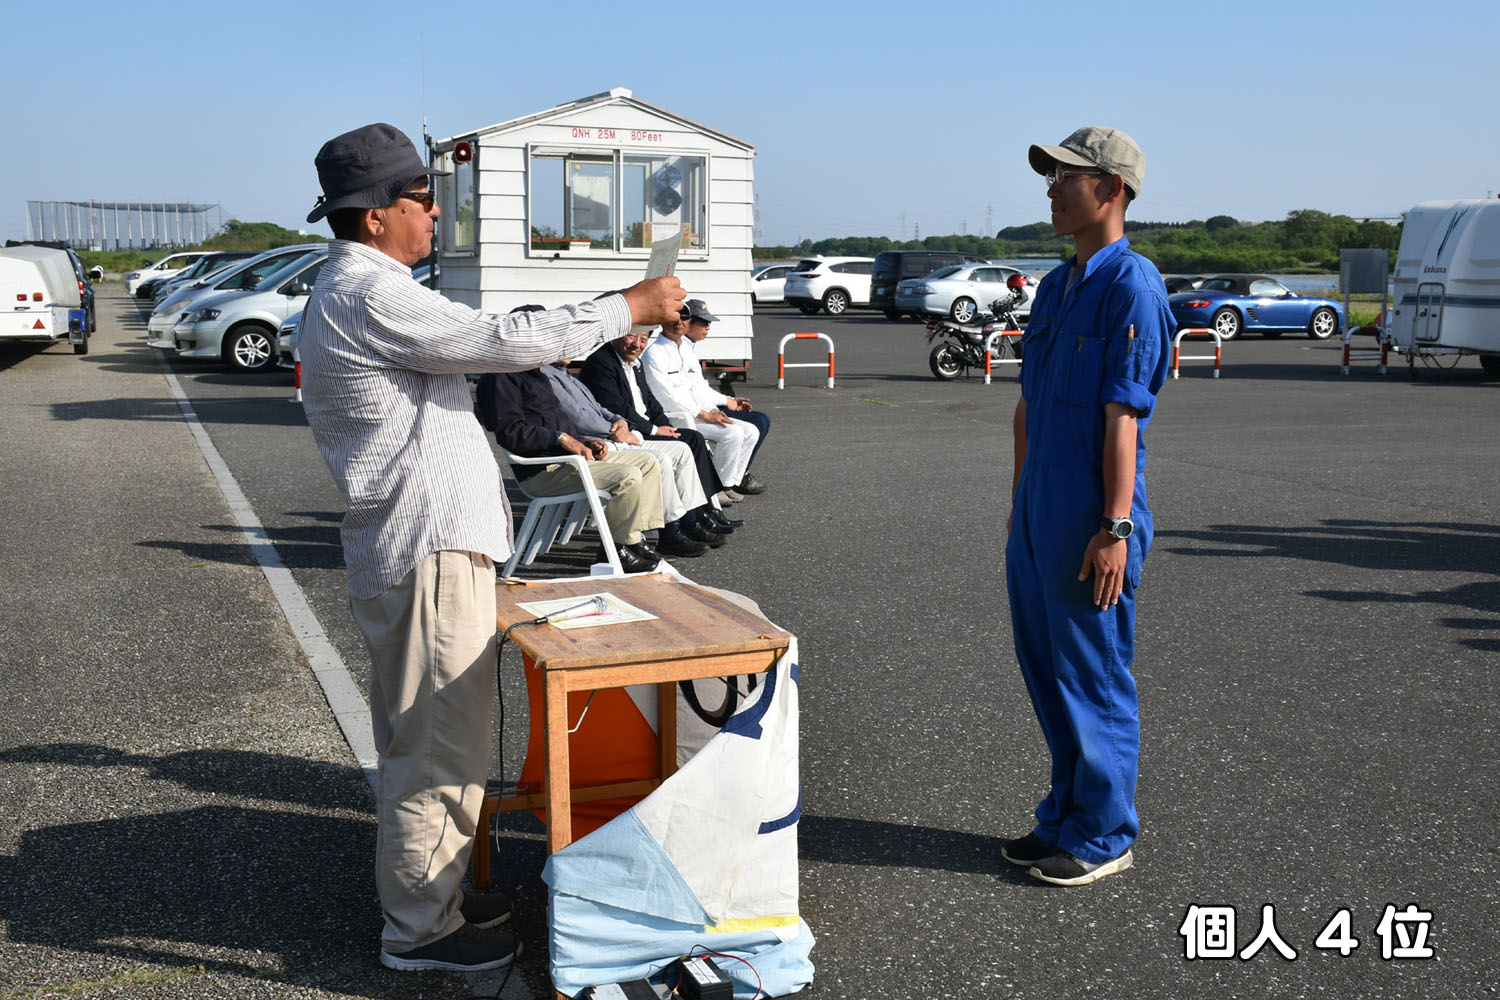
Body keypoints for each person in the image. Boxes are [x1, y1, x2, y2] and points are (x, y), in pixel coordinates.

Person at [295, 122, 684, 972]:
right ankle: (420, 932)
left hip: (421, 548)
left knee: (435, 737)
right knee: (438, 746)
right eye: (421, 198)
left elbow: (490, 337)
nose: (435, 212)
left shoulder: (362, 289)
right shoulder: (370, 293)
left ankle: (433, 898)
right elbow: (502, 341)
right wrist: (627, 306)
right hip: (427, 549)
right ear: (375, 216)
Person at [999, 126, 1172, 886]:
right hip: (1040, 506)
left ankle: (1104, 834)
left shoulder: (1133, 286)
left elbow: (1122, 419)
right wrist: (1019, 502)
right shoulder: (1054, 285)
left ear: (1112, 188)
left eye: (1066, 176)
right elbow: (1027, 405)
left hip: (1094, 510)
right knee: (1047, 668)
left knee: (1093, 674)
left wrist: (1115, 527)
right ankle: (1064, 816)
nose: (1052, 189)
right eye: (1050, 176)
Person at [474, 366, 681, 569]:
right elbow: (510, 433)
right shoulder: (500, 378)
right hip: (543, 470)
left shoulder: (535, 374)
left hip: (566, 460)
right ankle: (615, 550)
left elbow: (560, 425)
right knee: (628, 476)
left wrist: (586, 442)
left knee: (648, 463)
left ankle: (633, 540)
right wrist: (560, 439)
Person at [533, 361, 729, 553]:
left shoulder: (567, 374)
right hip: (597, 441)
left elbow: (601, 408)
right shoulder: (587, 366)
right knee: (658, 460)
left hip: (612, 435)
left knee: (682, 449)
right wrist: (617, 431)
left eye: (643, 342)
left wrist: (620, 421)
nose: (637, 345)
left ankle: (690, 521)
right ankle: (666, 532)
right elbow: (580, 418)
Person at [577, 330, 741, 536]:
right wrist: (654, 429)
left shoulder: (634, 362)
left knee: (693, 439)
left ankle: (705, 510)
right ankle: (690, 521)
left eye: (643, 339)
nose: (637, 344)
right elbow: (617, 408)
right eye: (631, 336)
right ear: (617, 334)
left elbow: (650, 401)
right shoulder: (601, 363)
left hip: (644, 427)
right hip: (627, 432)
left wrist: (665, 426)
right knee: (682, 446)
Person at [640, 299, 767, 498]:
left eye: (684, 318)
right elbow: (666, 396)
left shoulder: (686, 351)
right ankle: (715, 489)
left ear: (688, 322)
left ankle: (727, 483)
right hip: (676, 417)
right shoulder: (654, 354)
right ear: (664, 321)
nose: (679, 322)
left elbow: (698, 388)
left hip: (698, 414)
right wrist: (706, 415)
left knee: (751, 431)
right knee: (732, 433)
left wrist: (714, 410)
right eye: (674, 318)